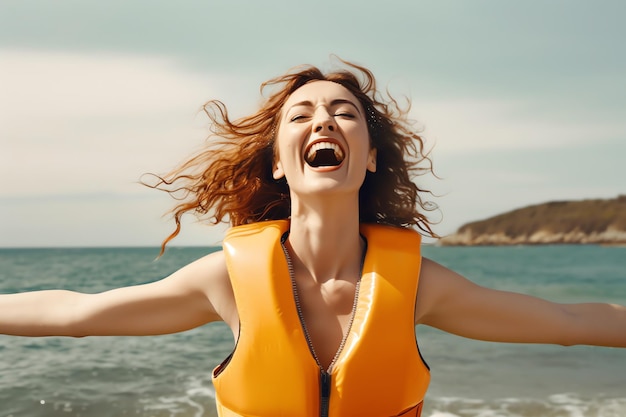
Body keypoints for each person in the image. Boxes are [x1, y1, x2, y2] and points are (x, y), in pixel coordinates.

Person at [1, 58, 625, 417]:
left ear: (371, 158)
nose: (323, 119)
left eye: (343, 112)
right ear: (278, 162)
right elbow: (76, 312)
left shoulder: (416, 286)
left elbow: (569, 318)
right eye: (300, 116)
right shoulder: (227, 281)